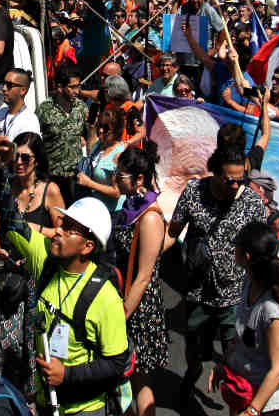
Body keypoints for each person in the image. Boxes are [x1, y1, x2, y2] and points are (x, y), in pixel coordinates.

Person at [1, 196, 132, 416]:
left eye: (70, 229)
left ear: (88, 246)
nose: (58, 231)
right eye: (62, 223)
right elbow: (12, 223)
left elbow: (117, 363)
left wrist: (67, 375)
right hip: (47, 401)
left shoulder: (105, 297)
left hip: (85, 409)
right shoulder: (46, 263)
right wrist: (0, 171)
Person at [167, 142, 268, 406]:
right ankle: (193, 371)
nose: (236, 185)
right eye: (229, 180)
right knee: (193, 345)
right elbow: (173, 230)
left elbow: (261, 248)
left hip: (235, 296)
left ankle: (238, 399)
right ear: (214, 172)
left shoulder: (252, 203)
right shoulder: (193, 192)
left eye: (240, 179)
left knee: (234, 352)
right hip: (196, 290)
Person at [110, 140, 167, 416]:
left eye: (120, 176)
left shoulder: (150, 217)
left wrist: (122, 315)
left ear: (139, 178)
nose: (115, 180)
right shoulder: (130, 206)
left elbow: (144, 277)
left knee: (139, 381)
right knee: (123, 382)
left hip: (138, 309)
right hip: (123, 299)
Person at [220, 221, 279, 416]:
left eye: (236, 246)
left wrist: (252, 411)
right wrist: (225, 366)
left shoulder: (271, 311)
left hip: (267, 406)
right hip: (244, 391)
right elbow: (242, 337)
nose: (232, 249)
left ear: (246, 257)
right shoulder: (249, 281)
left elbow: (277, 370)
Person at [0, 132, 64, 260]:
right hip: (12, 264)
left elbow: (61, 233)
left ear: (37, 161)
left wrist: (32, 228)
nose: (19, 162)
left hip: (42, 264)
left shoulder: (50, 191)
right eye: (16, 156)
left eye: (25, 157)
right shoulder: (6, 188)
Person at [38, 67, 88, 200]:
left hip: (76, 176)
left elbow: (87, 136)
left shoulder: (81, 107)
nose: (77, 91)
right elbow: (35, 139)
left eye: (79, 86)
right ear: (60, 87)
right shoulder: (45, 109)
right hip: (53, 177)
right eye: (73, 87)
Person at [77, 106, 128, 211]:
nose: (100, 130)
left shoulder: (119, 154)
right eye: (100, 125)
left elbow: (117, 192)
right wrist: (92, 127)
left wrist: (89, 183)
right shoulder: (100, 144)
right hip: (95, 206)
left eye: (105, 128)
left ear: (116, 130)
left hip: (111, 212)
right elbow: (90, 154)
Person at [0, 67, 40, 148]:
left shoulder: (29, 121)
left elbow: (23, 157)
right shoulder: (1, 112)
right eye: (4, 83)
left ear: (23, 90)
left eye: (9, 85)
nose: (4, 88)